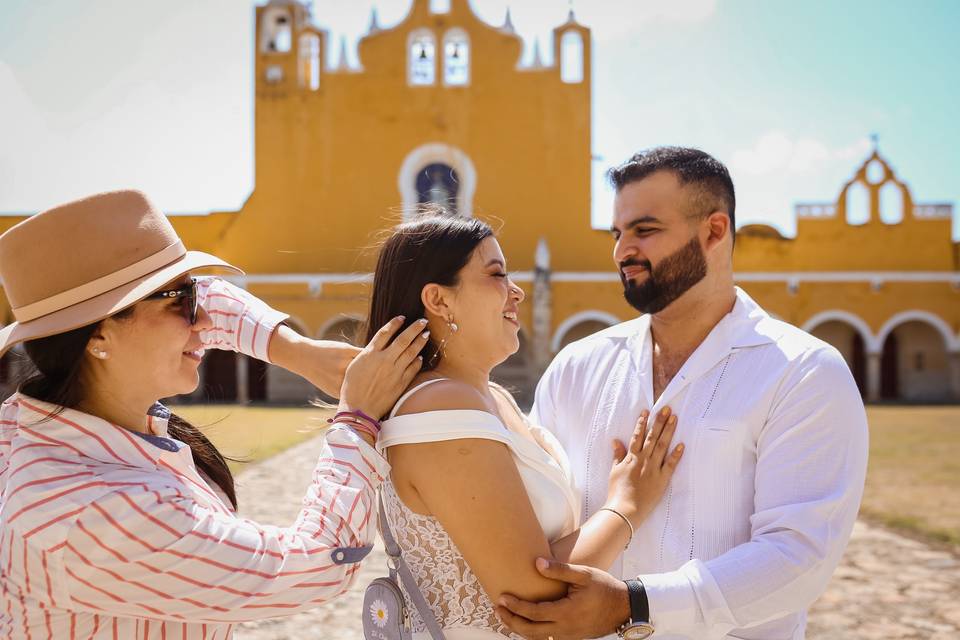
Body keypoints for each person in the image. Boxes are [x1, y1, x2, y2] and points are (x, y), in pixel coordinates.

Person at [0, 190, 429, 638]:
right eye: (180, 301)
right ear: (98, 336)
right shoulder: (90, 512)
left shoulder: (37, 425)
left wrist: (299, 352)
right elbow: (313, 565)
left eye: (193, 292)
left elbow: (211, 301)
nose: (203, 319)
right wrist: (358, 419)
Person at [496, 147, 870, 640]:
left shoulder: (802, 373)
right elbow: (533, 517)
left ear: (714, 231)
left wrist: (633, 605)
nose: (621, 250)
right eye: (618, 232)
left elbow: (798, 558)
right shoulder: (576, 368)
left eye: (644, 230)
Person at [367, 211, 685, 639]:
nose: (516, 291)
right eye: (496, 274)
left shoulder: (492, 398)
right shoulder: (439, 407)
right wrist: (627, 504)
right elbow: (535, 599)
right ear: (440, 300)